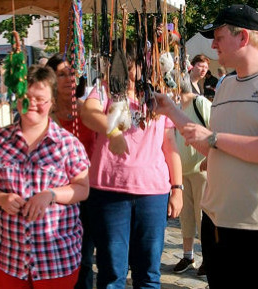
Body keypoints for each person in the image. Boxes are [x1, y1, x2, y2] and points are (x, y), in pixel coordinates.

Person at [154, 4, 258, 288]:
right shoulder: (225, 85)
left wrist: (214, 139)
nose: (212, 45)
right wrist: (172, 111)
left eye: (218, 36)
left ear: (243, 38)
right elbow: (213, 148)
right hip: (217, 223)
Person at [80, 42, 183, 289]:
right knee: (111, 271)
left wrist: (177, 188)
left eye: (136, 66)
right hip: (109, 191)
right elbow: (88, 112)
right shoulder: (105, 90)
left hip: (153, 192)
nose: (131, 73)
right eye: (125, 66)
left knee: (148, 271)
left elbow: (170, 145)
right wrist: (113, 131)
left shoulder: (157, 95)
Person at [0, 65, 91, 288]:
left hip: (55, 259)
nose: (32, 104)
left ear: (52, 102)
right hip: (7, 257)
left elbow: (82, 188)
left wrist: (50, 195)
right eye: (26, 97)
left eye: (40, 98)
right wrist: (1, 198)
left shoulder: (68, 144)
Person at [44, 54, 97, 289]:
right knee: (56, 260)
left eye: (72, 73)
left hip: (86, 192)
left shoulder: (88, 110)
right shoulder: (44, 115)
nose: (69, 79)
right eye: (62, 74)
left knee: (85, 259)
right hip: (54, 197)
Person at [170, 73, 212, 277]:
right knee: (186, 217)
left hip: (201, 170)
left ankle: (208, 258)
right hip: (182, 171)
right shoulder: (175, 109)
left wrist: (209, 157)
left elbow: (214, 130)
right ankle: (188, 255)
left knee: (202, 216)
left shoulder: (200, 103)